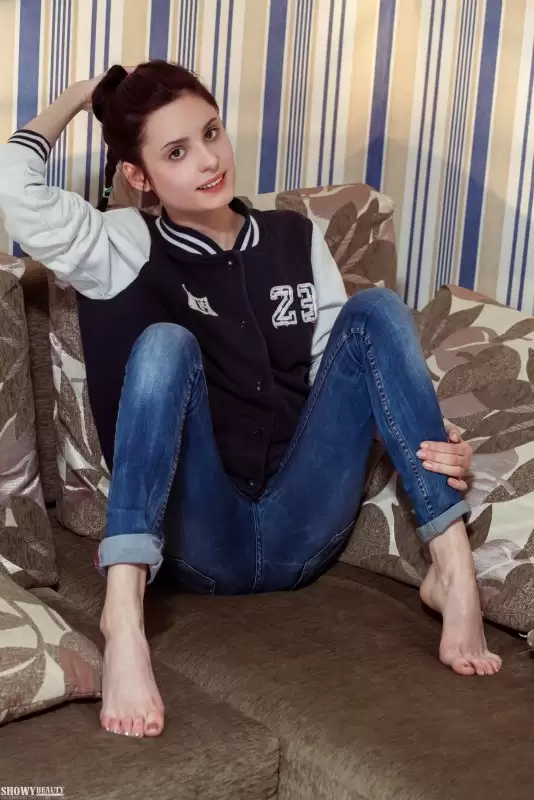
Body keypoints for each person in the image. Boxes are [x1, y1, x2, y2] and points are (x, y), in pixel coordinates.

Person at [0, 60, 501, 739]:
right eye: (177, 152)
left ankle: (453, 574)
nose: (209, 160)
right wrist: (81, 95)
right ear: (140, 176)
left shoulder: (296, 238)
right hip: (198, 539)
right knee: (166, 343)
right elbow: (14, 187)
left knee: (378, 311)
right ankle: (123, 619)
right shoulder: (120, 244)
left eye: (211, 133)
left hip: (306, 525)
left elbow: (347, 379)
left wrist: (430, 441)